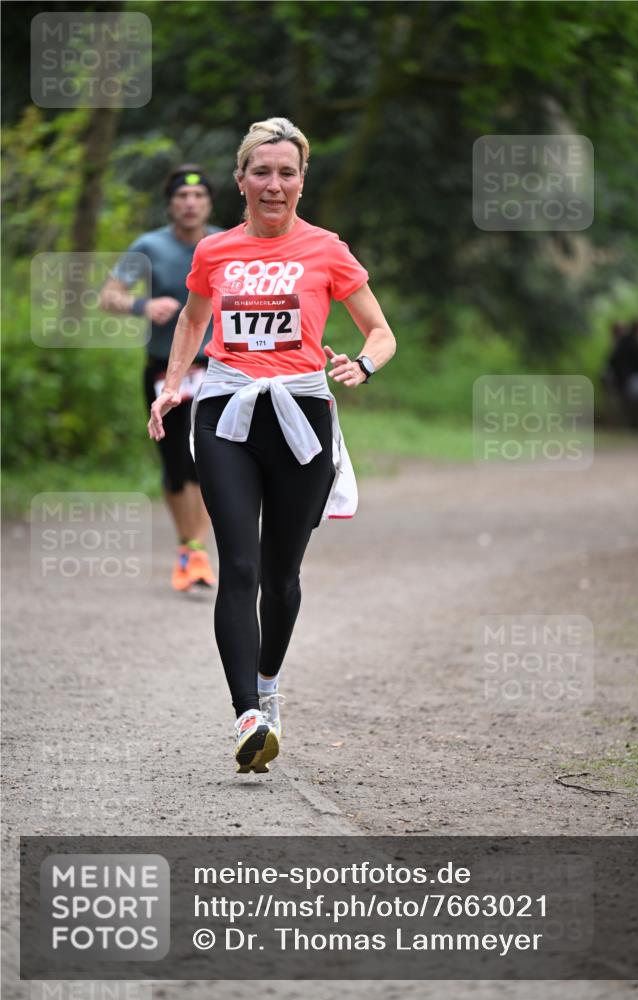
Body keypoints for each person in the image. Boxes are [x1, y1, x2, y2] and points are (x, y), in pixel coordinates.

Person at [148, 117, 396, 773]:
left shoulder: (327, 251)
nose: (273, 183)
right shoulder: (216, 251)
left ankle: (266, 685)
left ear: (301, 180)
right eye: (261, 171)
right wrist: (172, 388)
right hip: (225, 413)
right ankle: (247, 719)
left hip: (301, 416)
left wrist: (364, 365)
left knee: (281, 579)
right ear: (240, 181)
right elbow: (193, 321)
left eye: (286, 172)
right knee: (241, 568)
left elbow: (379, 331)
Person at [101, 165, 221, 590]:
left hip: (218, 371)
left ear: (209, 203)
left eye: (199, 197)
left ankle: (197, 549)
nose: (190, 204)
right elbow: (109, 295)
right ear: (171, 204)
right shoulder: (149, 245)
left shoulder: (225, 243)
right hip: (163, 370)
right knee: (174, 461)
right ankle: (189, 547)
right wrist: (142, 308)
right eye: (181, 198)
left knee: (209, 461)